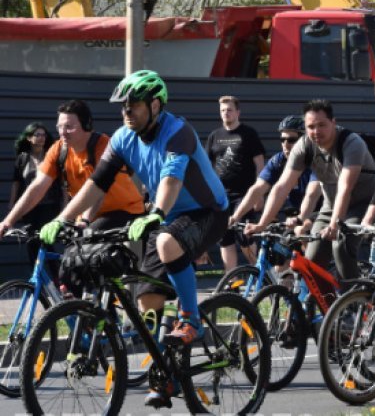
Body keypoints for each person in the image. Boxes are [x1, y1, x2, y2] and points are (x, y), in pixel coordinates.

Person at [37, 71, 229, 408]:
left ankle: (192, 319)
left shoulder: (177, 132)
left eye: (134, 105)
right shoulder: (124, 138)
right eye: (123, 106)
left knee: (166, 242)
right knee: (147, 300)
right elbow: (97, 183)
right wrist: (62, 218)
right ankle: (165, 374)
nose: (127, 111)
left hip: (207, 212)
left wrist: (155, 212)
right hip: (167, 216)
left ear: (155, 105)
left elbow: (171, 179)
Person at [243, 99, 375, 283]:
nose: (316, 131)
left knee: (340, 245)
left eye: (322, 125)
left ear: (333, 122)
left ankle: (354, 302)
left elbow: (345, 188)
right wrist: (262, 224)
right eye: (311, 126)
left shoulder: (351, 143)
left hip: (361, 204)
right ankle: (329, 307)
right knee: (312, 261)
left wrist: (335, 224)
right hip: (331, 205)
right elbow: (282, 186)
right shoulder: (305, 145)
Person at [0, 101, 144, 242]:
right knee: (71, 259)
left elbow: (99, 190)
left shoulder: (103, 146)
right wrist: (7, 222)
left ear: (86, 125)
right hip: (87, 217)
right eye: (60, 126)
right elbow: (37, 187)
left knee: (87, 251)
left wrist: (84, 220)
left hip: (125, 211)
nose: (63, 132)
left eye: (69, 127)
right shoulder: (59, 149)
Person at [229, 116, 322, 258]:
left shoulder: (315, 160)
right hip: (295, 215)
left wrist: (300, 219)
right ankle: (289, 279)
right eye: (282, 139)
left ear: (305, 140)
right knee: (280, 263)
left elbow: (312, 194)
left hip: (320, 211)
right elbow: (258, 188)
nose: (285, 144)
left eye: (291, 140)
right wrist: (236, 217)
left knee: (300, 231)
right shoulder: (278, 161)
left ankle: (315, 268)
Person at [206, 95, 266, 271]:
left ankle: (259, 277)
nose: (226, 113)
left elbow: (260, 164)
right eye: (223, 110)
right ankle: (231, 283)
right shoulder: (214, 136)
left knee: (245, 237)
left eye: (229, 110)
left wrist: (259, 195)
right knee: (225, 239)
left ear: (238, 112)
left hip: (245, 195)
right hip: (221, 196)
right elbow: (208, 167)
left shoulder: (249, 134)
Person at [8, 122, 60, 228]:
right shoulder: (22, 158)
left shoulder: (50, 156)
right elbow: (16, 182)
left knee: (46, 239)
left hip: (48, 205)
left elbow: (62, 183)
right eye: (37, 135)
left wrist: (64, 204)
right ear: (29, 138)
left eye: (43, 135)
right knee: (31, 239)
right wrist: (12, 203)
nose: (41, 138)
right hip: (28, 206)